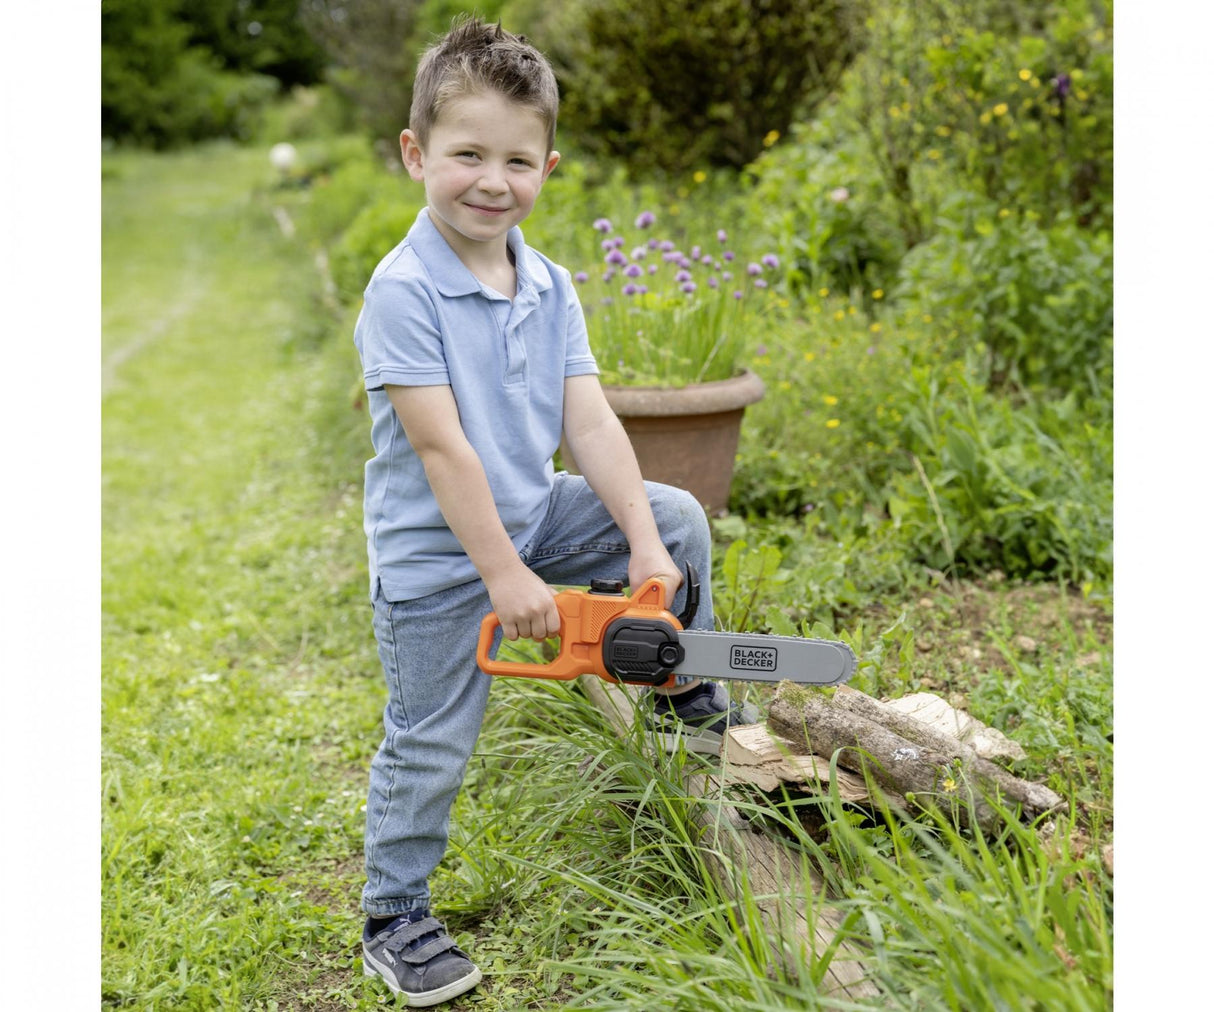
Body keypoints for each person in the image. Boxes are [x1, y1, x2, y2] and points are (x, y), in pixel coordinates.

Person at [353, 17, 756, 1006]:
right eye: (467, 155)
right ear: (416, 155)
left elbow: (591, 422)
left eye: (517, 160)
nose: (492, 180)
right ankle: (394, 913)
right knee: (430, 735)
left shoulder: (551, 284)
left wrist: (643, 541)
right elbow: (444, 450)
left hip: (533, 519)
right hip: (442, 562)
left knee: (678, 516)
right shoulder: (403, 292)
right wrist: (503, 574)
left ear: (547, 165)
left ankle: (682, 697)